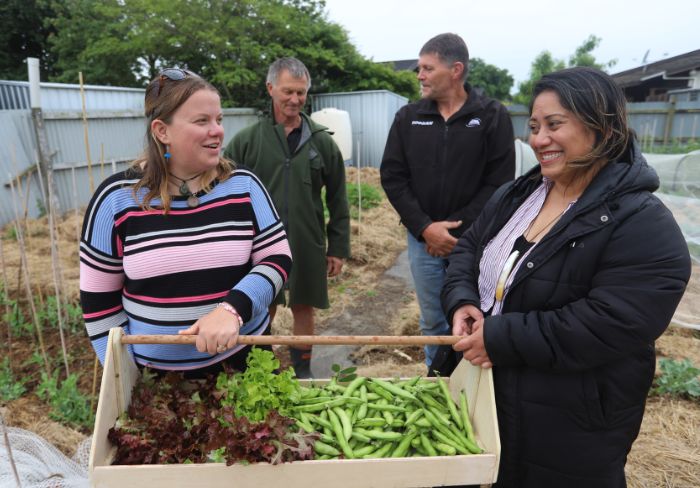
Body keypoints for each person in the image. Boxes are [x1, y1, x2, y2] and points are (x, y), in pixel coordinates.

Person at [441, 67, 691, 487]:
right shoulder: (517, 195)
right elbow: (468, 249)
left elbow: (612, 322)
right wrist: (464, 299)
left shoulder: (643, 223)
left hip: (569, 423)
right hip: (488, 394)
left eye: (555, 125)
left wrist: (501, 337)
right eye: (535, 127)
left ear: (602, 127)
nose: (539, 139)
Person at [80, 68, 292, 377]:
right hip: (159, 380)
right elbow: (99, 305)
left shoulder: (243, 185)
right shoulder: (116, 200)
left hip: (246, 364)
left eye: (218, 120)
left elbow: (277, 258)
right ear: (162, 131)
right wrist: (123, 380)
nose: (217, 130)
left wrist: (232, 309)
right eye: (202, 121)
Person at [380, 33, 515, 367]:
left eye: (427, 68)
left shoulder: (491, 116)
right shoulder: (408, 117)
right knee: (433, 323)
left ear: (455, 70)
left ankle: (473, 386)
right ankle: (437, 384)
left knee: (475, 319)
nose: (419, 75)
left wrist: (459, 232)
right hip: (422, 242)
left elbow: (499, 183)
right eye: (419, 68)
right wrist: (426, 228)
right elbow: (393, 177)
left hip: (476, 243)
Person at [224, 57, 350, 378]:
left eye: (301, 92)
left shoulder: (322, 142)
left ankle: (302, 371)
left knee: (304, 304)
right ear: (270, 89)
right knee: (262, 302)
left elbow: (337, 199)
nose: (294, 100)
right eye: (287, 92)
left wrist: (337, 247)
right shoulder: (247, 142)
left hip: (307, 240)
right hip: (259, 241)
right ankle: (262, 367)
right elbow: (224, 194)